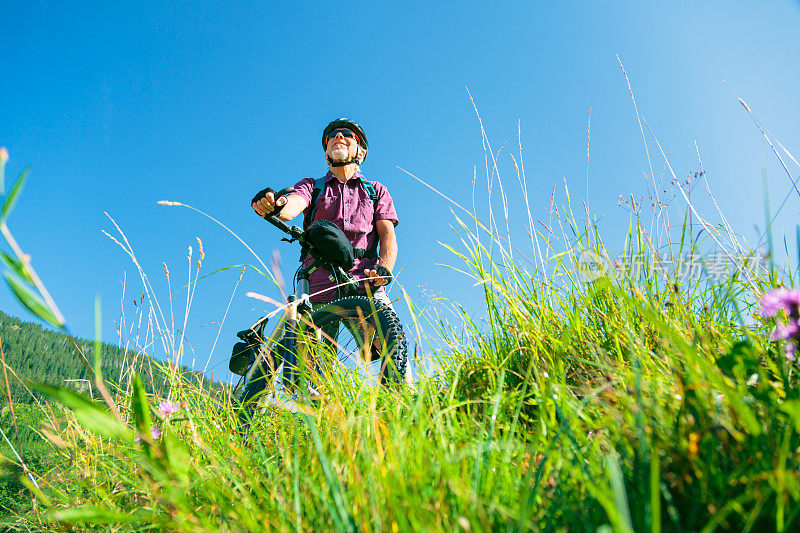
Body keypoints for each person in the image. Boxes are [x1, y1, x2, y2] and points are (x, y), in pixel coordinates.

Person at [250, 118, 399, 310]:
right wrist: (277, 206)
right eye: (332, 136)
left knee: (387, 339)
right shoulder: (312, 186)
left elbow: (387, 234)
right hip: (318, 284)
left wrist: (384, 268)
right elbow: (293, 204)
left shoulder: (376, 191)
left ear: (360, 152)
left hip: (366, 281)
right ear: (327, 153)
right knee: (311, 340)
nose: (338, 136)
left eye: (347, 135)